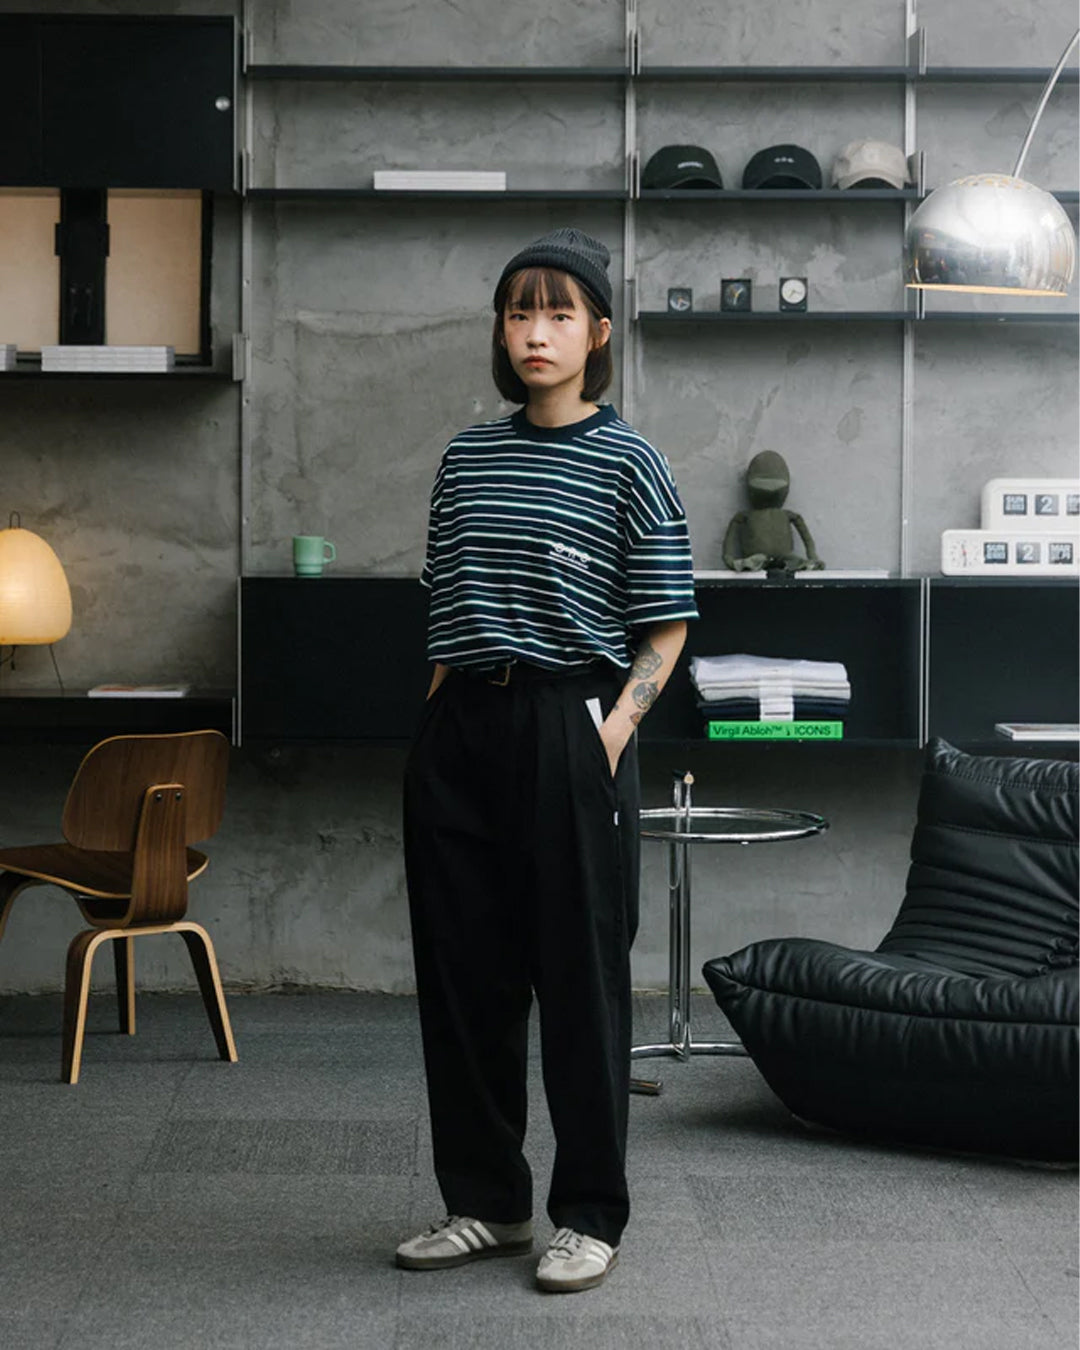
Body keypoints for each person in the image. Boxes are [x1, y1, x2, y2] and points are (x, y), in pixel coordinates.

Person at [397, 227, 698, 1293]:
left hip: (571, 726)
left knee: (579, 984)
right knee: (465, 984)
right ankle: (485, 1203)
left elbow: (666, 627)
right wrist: (432, 740)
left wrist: (607, 734)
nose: (537, 331)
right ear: (501, 330)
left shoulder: (631, 460)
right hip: (460, 733)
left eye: (560, 312)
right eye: (520, 312)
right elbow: (445, 614)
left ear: (597, 333)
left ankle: (589, 1214)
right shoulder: (468, 457)